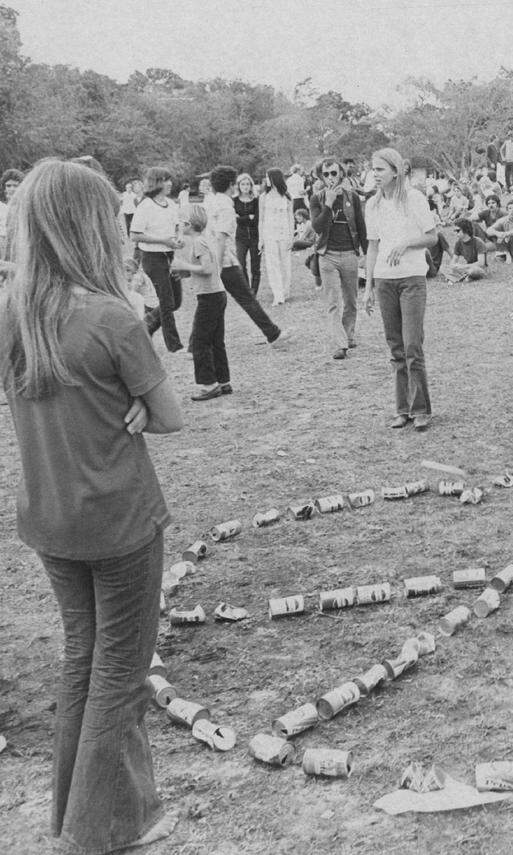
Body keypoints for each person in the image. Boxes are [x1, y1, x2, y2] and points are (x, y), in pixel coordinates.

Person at [0, 159, 184, 854]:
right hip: (119, 520)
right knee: (119, 675)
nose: (121, 225)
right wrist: (136, 402)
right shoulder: (110, 316)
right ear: (87, 226)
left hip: (50, 520)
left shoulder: (11, 312)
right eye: (111, 215)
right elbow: (170, 417)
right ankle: (90, 835)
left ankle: (91, 818)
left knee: (84, 661)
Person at [363, 147, 439, 431]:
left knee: (412, 345)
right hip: (384, 280)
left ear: (396, 170)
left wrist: (406, 243)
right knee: (395, 347)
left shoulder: (415, 199)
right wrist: (368, 286)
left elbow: (432, 237)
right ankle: (402, 409)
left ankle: (421, 409)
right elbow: (372, 246)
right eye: (373, 169)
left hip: (412, 279)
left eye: (380, 169)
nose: (375, 174)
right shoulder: (372, 205)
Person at [205, 166, 290, 348]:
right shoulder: (227, 204)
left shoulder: (211, 201)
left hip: (217, 258)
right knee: (244, 300)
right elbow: (220, 238)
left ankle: (272, 333)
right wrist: (218, 267)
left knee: (213, 303)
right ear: (230, 184)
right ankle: (273, 333)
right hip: (223, 262)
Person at [310, 158, 368, 359]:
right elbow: (317, 227)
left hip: (350, 253)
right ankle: (340, 343)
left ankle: (349, 334)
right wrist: (328, 205)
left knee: (351, 299)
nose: (330, 178)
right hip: (328, 255)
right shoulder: (317, 198)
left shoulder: (352, 197)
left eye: (334, 173)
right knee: (334, 302)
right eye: (325, 175)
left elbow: (361, 226)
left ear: (341, 174)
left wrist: (367, 254)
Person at [172, 204, 230, 401]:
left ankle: (208, 384)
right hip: (216, 293)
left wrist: (182, 265)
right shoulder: (203, 240)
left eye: (181, 221)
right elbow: (204, 268)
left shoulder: (198, 243)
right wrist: (186, 272)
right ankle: (223, 381)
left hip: (209, 296)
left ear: (189, 224)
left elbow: (207, 269)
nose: (179, 224)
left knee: (199, 341)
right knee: (215, 340)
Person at [130, 166, 184, 353]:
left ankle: (146, 326)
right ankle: (174, 346)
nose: (170, 183)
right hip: (153, 258)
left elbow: (178, 226)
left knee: (176, 301)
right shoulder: (146, 206)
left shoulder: (171, 204)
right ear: (156, 183)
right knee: (167, 301)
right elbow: (135, 235)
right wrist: (162, 240)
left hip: (170, 256)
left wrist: (179, 237)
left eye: (169, 179)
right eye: (165, 180)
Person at [260, 168, 294, 306]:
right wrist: (261, 238)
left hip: (284, 233)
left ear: (274, 179)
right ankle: (277, 294)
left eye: (268, 177)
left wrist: (291, 236)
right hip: (269, 234)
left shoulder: (286, 196)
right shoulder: (263, 197)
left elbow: (291, 217)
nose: (266, 180)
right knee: (272, 264)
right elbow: (261, 219)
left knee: (285, 263)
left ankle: (285, 291)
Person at [233, 173, 260, 296]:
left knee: (255, 266)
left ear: (251, 185)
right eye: (242, 184)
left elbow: (256, 220)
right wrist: (248, 217)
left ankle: (254, 291)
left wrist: (241, 218)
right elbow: (234, 220)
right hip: (240, 237)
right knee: (241, 264)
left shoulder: (256, 201)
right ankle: (247, 290)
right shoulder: (234, 201)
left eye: (247, 184)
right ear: (238, 186)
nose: (245, 186)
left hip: (255, 236)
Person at [442, 218, 487, 282]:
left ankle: (459, 277)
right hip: (466, 268)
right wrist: (453, 266)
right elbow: (454, 260)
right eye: (454, 231)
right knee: (443, 268)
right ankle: (463, 277)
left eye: (457, 230)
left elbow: (481, 263)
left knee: (473, 271)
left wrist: (463, 267)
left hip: (478, 269)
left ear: (465, 230)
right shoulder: (458, 243)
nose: (455, 233)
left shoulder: (478, 242)